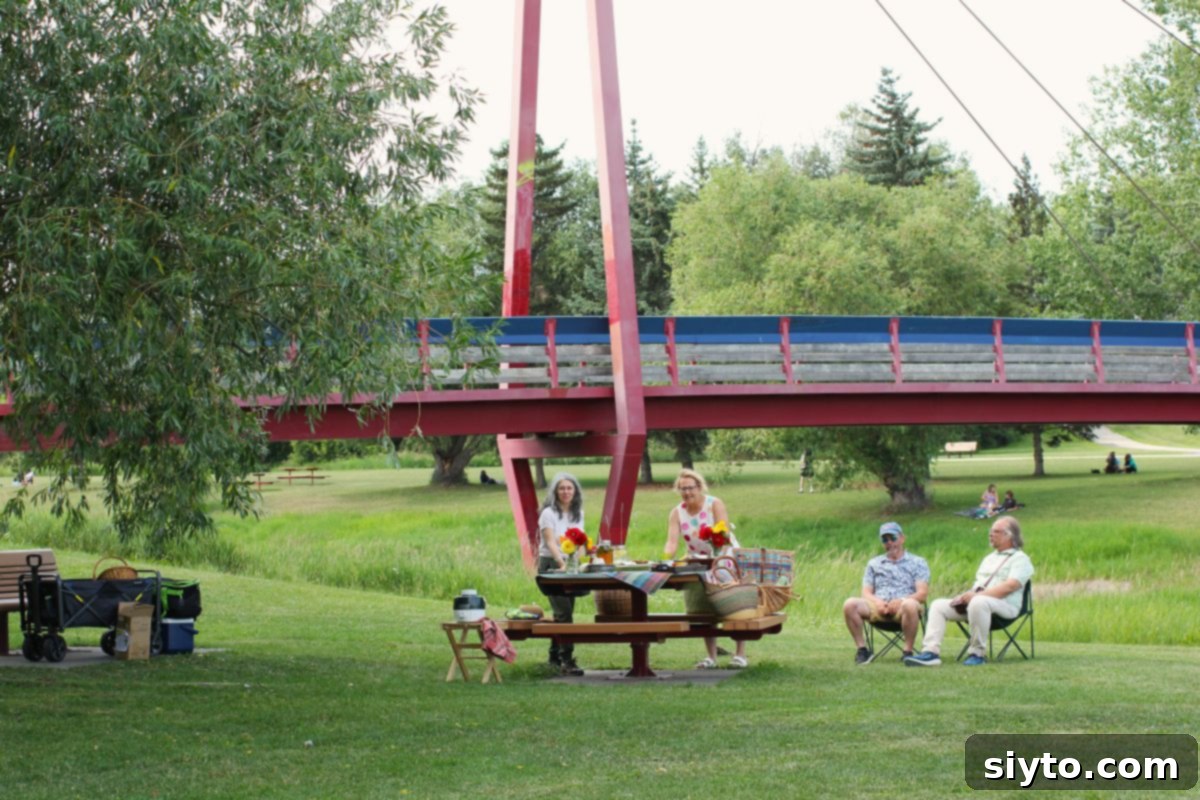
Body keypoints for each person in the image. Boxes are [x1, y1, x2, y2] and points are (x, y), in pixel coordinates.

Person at [905, 515, 1034, 667]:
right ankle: (931, 652)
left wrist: (976, 596)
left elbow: (1010, 586)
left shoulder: (1020, 559)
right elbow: (979, 585)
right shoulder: (989, 558)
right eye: (990, 531)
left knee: (978, 601)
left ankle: (977, 654)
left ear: (1009, 535)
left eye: (996, 531)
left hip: (1005, 607)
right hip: (978, 604)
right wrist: (965, 596)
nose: (990, 534)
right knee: (938, 605)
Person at [663, 468, 747, 669]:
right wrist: (667, 560)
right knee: (702, 606)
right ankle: (711, 657)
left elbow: (723, 533)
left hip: (724, 557)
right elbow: (672, 542)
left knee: (733, 605)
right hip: (698, 562)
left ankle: (740, 655)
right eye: (682, 489)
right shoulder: (677, 512)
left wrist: (717, 557)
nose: (687, 493)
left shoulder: (714, 504)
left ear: (699, 487)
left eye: (690, 488)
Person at [842, 522, 930, 664]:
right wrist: (878, 603)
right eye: (885, 539)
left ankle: (907, 652)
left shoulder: (918, 562)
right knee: (850, 604)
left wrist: (901, 600)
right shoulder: (874, 563)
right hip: (878, 607)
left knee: (910, 605)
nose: (889, 543)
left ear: (902, 538)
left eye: (893, 538)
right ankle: (862, 650)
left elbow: (922, 594)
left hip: (905, 608)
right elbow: (866, 592)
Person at [536, 472, 586, 676]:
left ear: (575, 491)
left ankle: (554, 657)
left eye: (569, 488)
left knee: (563, 613)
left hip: (570, 564)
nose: (566, 492)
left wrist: (580, 562)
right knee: (564, 613)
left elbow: (580, 541)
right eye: (562, 488)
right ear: (555, 491)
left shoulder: (578, 513)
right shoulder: (548, 513)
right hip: (551, 564)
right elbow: (549, 542)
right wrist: (560, 563)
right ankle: (567, 660)